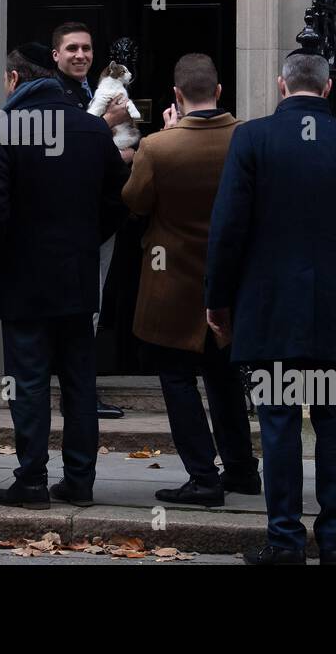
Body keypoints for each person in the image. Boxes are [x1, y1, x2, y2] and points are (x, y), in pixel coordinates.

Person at [205, 49, 336, 564]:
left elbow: (228, 230)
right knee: (334, 425)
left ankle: (284, 540)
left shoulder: (252, 138)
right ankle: (334, 540)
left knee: (280, 425)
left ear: (282, 86)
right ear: (327, 89)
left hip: (271, 312)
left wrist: (217, 302)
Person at [0, 44, 127, 509]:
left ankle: (33, 480)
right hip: (77, 276)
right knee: (80, 382)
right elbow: (115, 203)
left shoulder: (5, 128)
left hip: (24, 278)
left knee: (29, 383)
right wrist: (85, 245)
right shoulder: (89, 127)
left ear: (16, 80)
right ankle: (80, 480)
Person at [122, 54, 260, 507]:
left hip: (172, 284)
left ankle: (203, 477)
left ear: (177, 96)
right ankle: (241, 470)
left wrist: (163, 135)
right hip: (233, 282)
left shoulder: (159, 147)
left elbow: (136, 202)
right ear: (219, 91)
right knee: (225, 380)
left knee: (179, 380)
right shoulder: (248, 138)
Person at [51, 22, 133, 419]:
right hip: (78, 223)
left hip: (101, 218)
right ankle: (79, 396)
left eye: (85, 48)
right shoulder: (56, 95)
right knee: (85, 310)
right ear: (56, 55)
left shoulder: (88, 90)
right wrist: (110, 124)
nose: (81, 55)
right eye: (72, 49)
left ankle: (82, 390)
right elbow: (68, 148)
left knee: (92, 309)